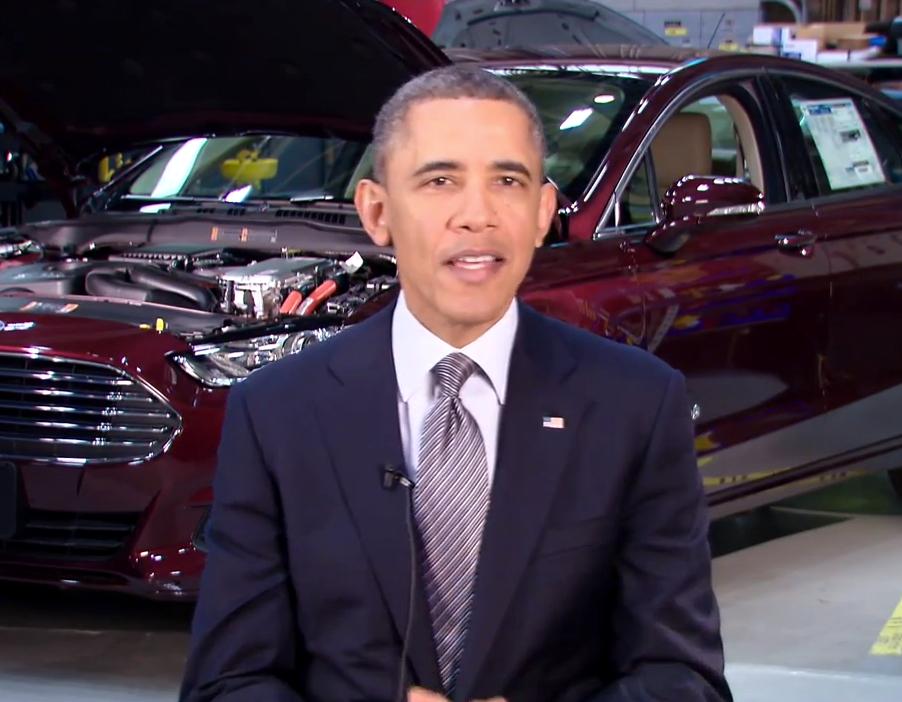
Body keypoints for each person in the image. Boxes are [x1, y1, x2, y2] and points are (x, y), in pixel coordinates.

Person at [180, 65, 732, 702]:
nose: (478, 215)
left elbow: (683, 679)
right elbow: (226, 684)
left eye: (508, 181)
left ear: (541, 213)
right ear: (378, 212)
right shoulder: (277, 410)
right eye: (440, 181)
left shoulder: (636, 405)